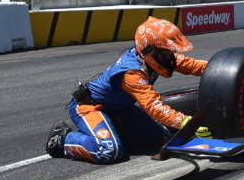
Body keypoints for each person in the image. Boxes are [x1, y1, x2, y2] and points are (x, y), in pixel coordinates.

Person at [44, 17, 211, 163]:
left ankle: (112, 131)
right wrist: (185, 122)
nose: (170, 58)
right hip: (89, 107)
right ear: (149, 50)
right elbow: (154, 106)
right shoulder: (132, 72)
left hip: (120, 108)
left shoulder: (153, 56)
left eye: (170, 53)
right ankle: (64, 139)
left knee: (159, 137)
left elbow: (194, 65)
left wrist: (227, 67)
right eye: (165, 54)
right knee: (109, 151)